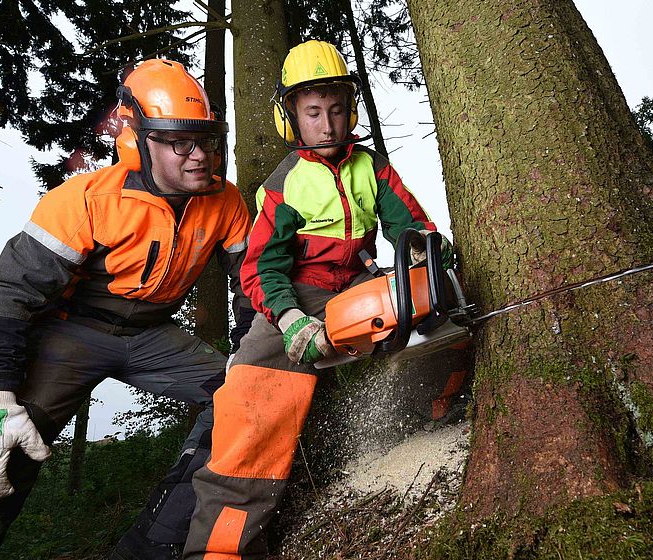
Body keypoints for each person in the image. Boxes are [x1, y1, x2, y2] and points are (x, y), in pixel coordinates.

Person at [0, 58, 255, 560]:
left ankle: (157, 545)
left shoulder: (226, 201)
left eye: (207, 140)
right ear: (136, 138)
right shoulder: (84, 199)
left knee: (250, 398)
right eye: (179, 142)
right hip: (71, 330)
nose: (199, 156)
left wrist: (250, 349)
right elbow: (9, 296)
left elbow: (251, 281)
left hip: (152, 334)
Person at [182, 40, 454, 559]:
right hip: (295, 290)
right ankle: (218, 547)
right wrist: (288, 320)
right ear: (292, 118)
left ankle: (436, 415)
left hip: (355, 278)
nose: (327, 124)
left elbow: (409, 226)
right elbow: (262, 269)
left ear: (348, 110)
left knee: (430, 305)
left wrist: (423, 254)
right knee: (252, 396)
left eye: (335, 110)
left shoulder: (371, 168)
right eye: (312, 112)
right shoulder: (282, 185)